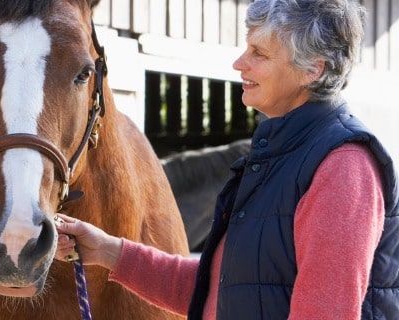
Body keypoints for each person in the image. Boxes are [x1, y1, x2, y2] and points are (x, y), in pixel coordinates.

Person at [56, 0, 398, 319]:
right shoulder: (280, 156)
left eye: (259, 53)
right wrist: (107, 250)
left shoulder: (343, 167)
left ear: (313, 69)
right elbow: (222, 289)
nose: (239, 63)